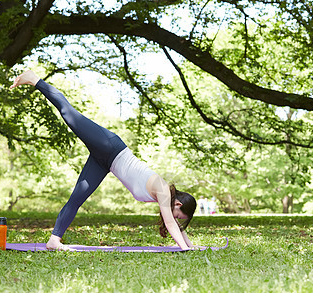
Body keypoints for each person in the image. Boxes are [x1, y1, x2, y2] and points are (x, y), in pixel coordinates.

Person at [10, 70, 198, 250]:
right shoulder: (163, 190)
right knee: (69, 113)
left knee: (77, 198)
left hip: (105, 163)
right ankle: (34, 79)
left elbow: (173, 223)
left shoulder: (165, 197)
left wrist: (189, 245)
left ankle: (53, 240)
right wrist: (185, 249)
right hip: (110, 147)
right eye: (180, 216)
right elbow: (170, 223)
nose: (176, 218)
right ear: (178, 204)